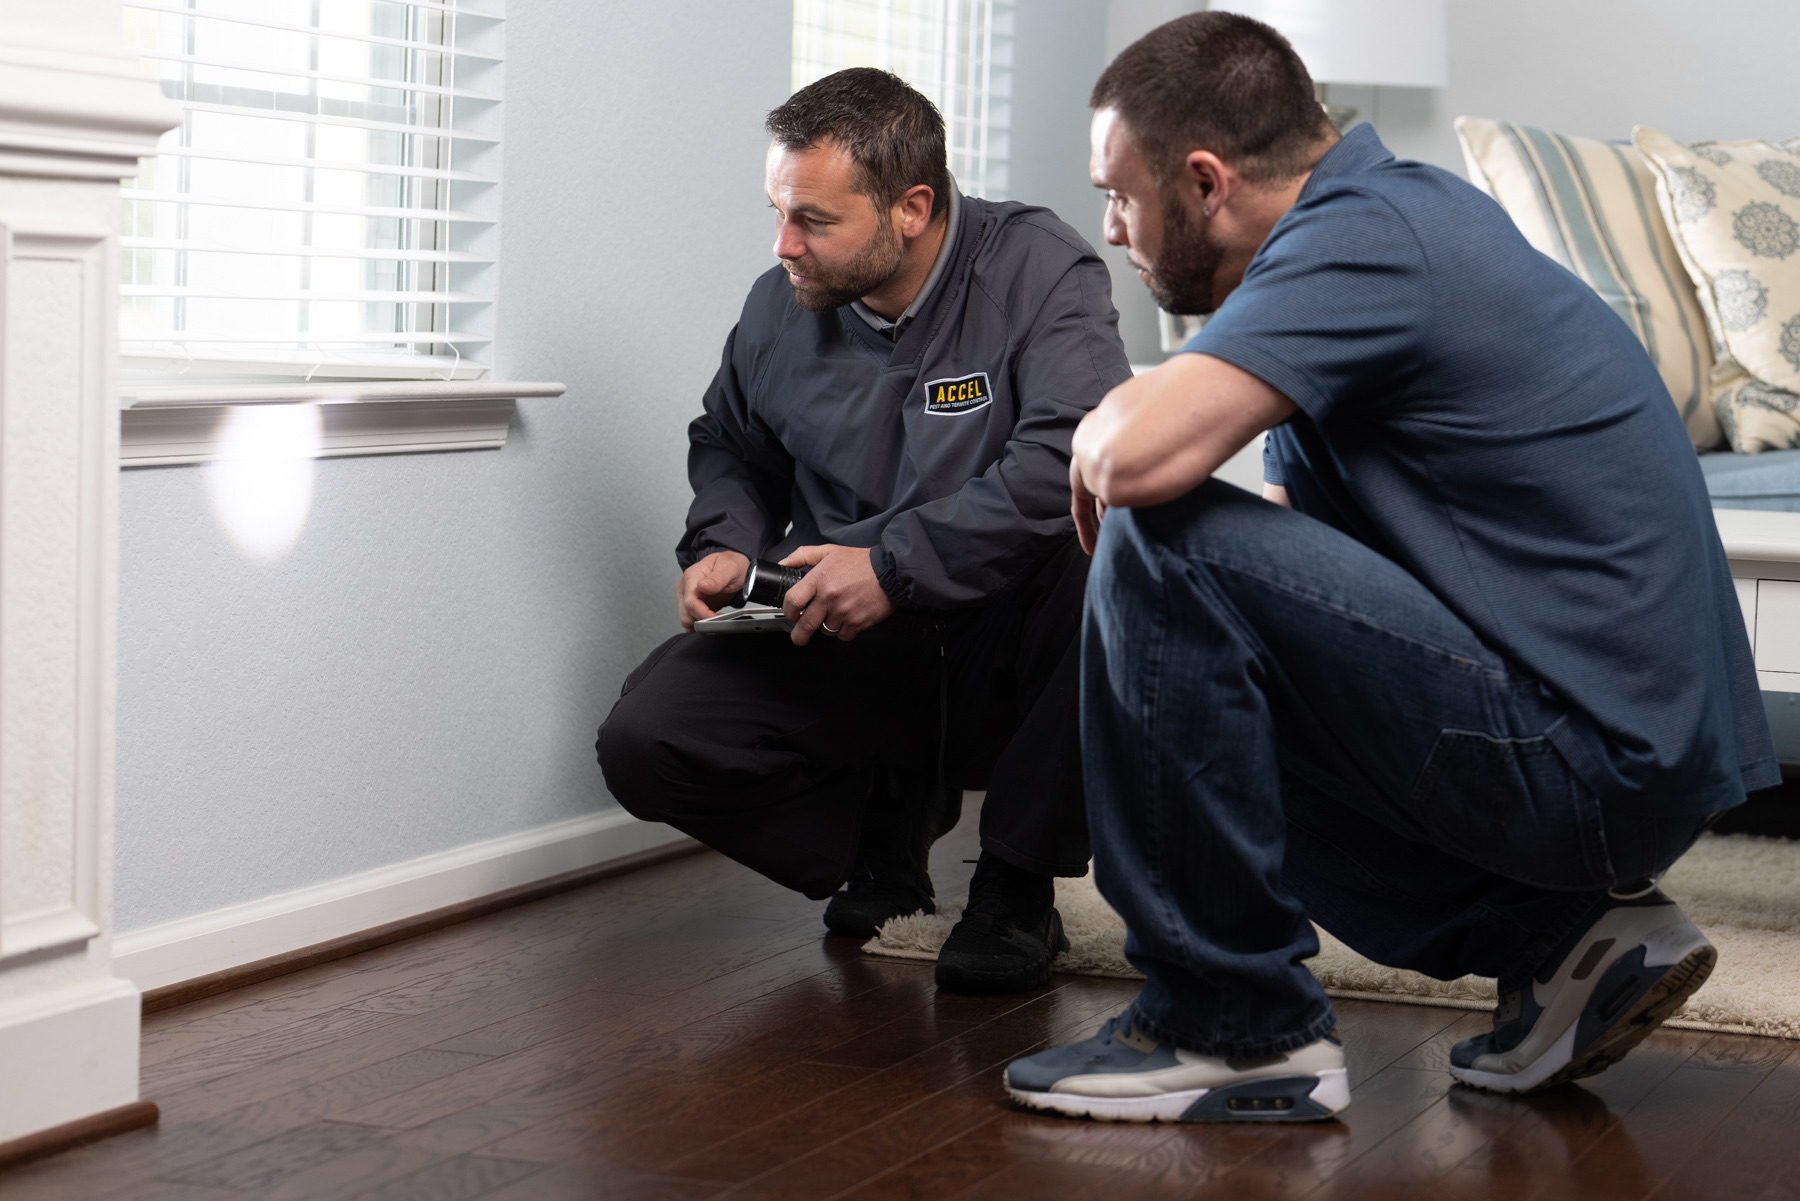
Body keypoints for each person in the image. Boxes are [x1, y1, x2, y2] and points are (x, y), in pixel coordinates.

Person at [1004, 12, 1776, 1121]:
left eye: (1120, 196)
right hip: (1615, 753)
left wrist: (1093, 438)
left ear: (1206, 181)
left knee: (1161, 539)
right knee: (1198, 655)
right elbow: (1287, 572)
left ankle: (1230, 1025)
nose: (1113, 228)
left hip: (1591, 760)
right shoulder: (1374, 225)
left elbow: (1135, 461)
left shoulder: (1365, 237)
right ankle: (1565, 939)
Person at [597, 68, 1133, 994]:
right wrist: (723, 544)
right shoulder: (781, 304)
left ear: (911, 208)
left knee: (1106, 555)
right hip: (847, 627)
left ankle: (1017, 881)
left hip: (1000, 624)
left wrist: (893, 563)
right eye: (777, 212)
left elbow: (1067, 461)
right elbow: (730, 443)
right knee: (646, 741)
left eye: (812, 219)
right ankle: (881, 832)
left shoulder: (1040, 268)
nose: (783, 244)